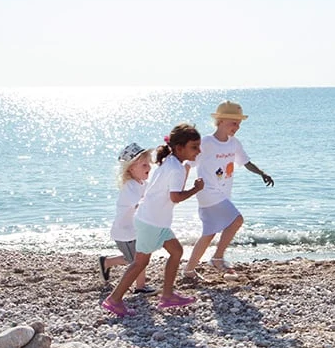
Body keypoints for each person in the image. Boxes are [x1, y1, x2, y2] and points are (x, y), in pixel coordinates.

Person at [101, 124, 204, 317]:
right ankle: (114, 300)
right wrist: (195, 189)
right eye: (194, 147)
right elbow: (175, 197)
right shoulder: (175, 167)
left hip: (156, 221)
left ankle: (167, 296)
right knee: (139, 263)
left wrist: (187, 173)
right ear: (180, 148)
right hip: (152, 222)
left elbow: (168, 190)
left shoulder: (170, 162)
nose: (199, 150)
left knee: (176, 251)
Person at [183, 101, 273, 281]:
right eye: (234, 122)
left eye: (239, 123)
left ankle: (189, 270)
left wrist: (261, 173)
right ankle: (217, 258)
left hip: (223, 193)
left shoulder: (234, 143)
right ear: (221, 121)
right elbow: (188, 163)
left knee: (209, 234)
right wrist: (181, 188)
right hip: (208, 191)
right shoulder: (206, 142)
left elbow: (245, 162)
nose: (237, 127)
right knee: (237, 220)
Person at [97, 143, 156, 295]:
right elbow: (138, 204)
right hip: (125, 232)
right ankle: (140, 287)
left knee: (137, 258)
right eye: (143, 165)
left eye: (148, 163)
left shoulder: (143, 183)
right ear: (131, 169)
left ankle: (107, 262)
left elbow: (152, 194)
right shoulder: (130, 186)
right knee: (137, 260)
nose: (148, 167)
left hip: (135, 230)